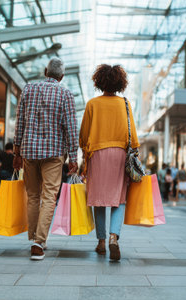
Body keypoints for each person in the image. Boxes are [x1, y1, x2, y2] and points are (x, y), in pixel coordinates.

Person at [13, 58, 78, 260]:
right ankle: (39, 242)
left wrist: (16, 153)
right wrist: (74, 157)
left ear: (44, 71)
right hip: (54, 153)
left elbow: (20, 122)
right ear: (62, 77)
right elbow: (71, 128)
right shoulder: (66, 94)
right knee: (49, 196)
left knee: (33, 196)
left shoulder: (28, 89)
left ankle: (35, 238)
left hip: (30, 152)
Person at [79, 64, 140, 261]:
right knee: (119, 198)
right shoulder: (125, 104)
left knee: (98, 199)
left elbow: (84, 135)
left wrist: (83, 157)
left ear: (99, 81)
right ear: (120, 83)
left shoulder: (92, 104)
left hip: (97, 154)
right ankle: (114, 236)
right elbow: (134, 138)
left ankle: (101, 242)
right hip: (119, 155)